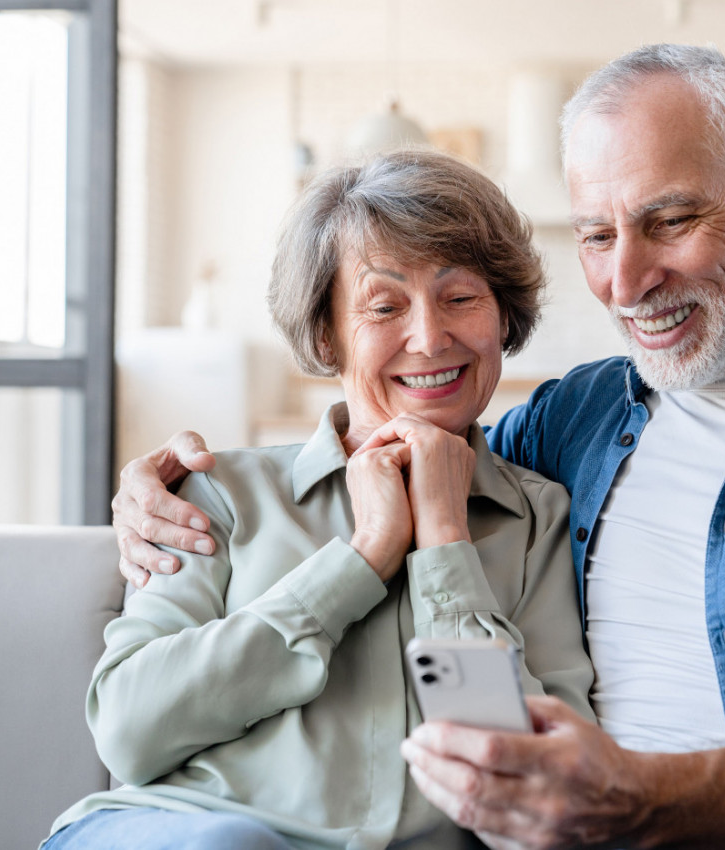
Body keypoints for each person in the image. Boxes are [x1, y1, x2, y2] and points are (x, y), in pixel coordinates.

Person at [112, 44, 725, 849]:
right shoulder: (570, 424)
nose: (627, 280)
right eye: (597, 235)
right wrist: (158, 490)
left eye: (670, 220)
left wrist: (637, 802)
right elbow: (421, 451)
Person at [43, 150, 594, 850]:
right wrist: (360, 563)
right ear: (327, 335)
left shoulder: (538, 518)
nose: (429, 337)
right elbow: (130, 730)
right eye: (384, 306)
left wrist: (444, 545)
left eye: (459, 298)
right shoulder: (220, 492)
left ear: (501, 316)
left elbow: (527, 786)